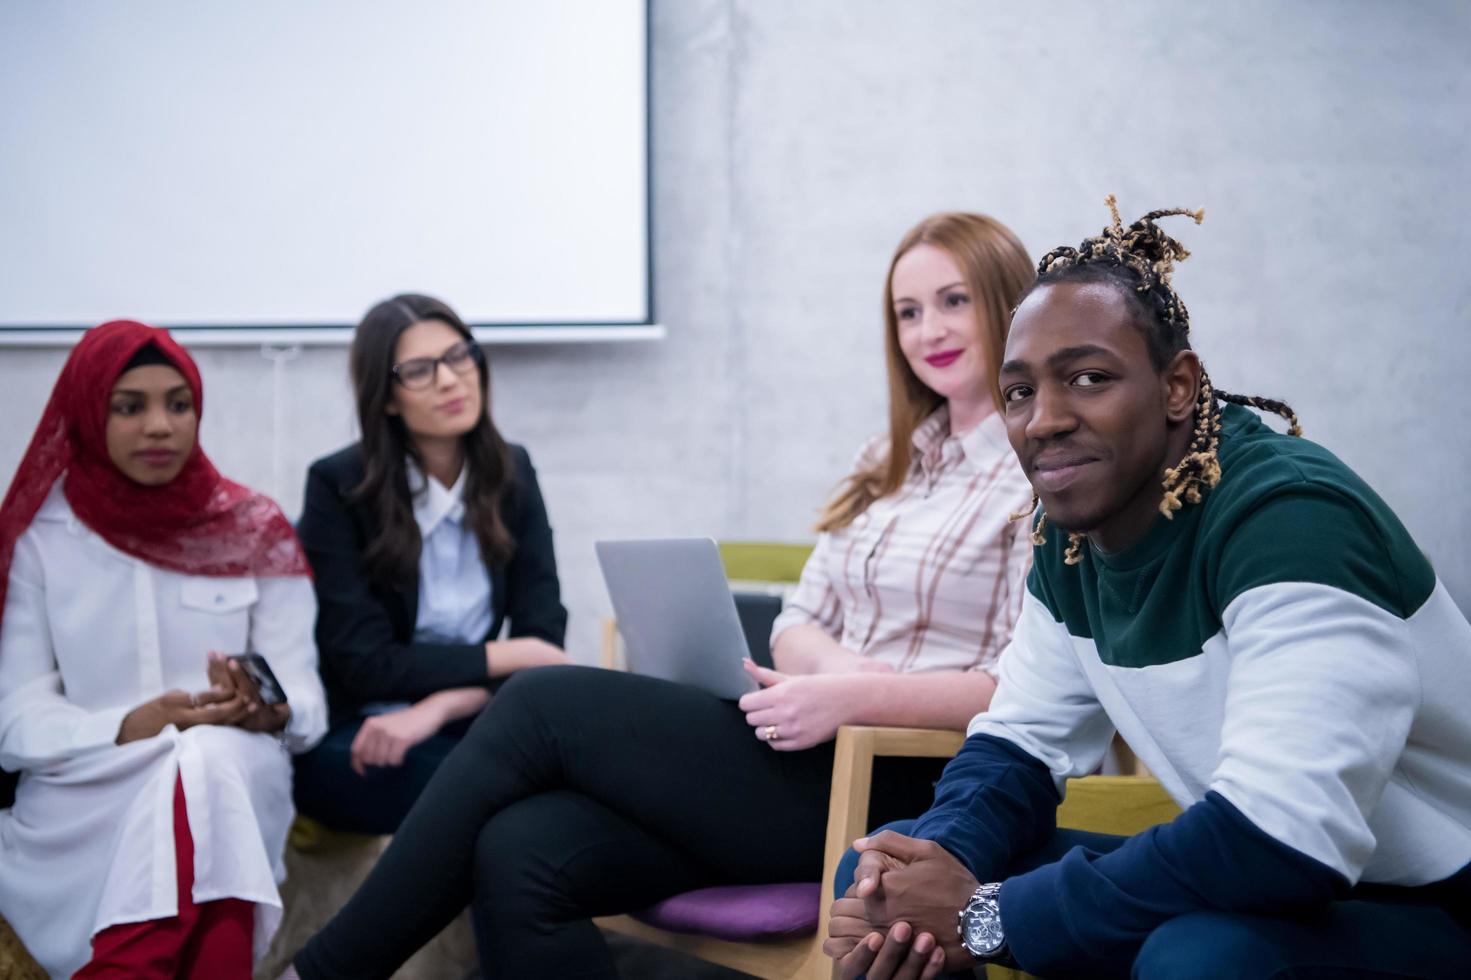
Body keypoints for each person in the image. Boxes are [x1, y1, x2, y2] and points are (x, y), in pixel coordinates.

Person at [286, 212, 1038, 980]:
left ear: (1010, 305)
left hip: (907, 777)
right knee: (519, 850)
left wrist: (859, 700)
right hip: (806, 745)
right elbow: (799, 619)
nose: (926, 330)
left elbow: (1032, 690)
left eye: (952, 301)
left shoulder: (1036, 471)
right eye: (907, 312)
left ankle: (322, 973)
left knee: (538, 705)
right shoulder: (885, 461)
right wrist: (838, 672)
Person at [825, 199, 1471, 980]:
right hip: (1288, 886)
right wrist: (935, 870)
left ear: (1177, 386)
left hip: (1429, 899)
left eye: (1088, 378)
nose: (1044, 421)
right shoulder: (1072, 529)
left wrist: (986, 917)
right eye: (1020, 392)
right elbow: (1017, 743)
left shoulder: (1291, 519)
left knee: (1199, 957)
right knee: (883, 874)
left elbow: (1284, 836)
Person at [0, 320, 328, 979]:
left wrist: (269, 710)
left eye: (178, 404)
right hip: (90, 781)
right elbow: (14, 717)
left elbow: (307, 701)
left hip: (235, 767)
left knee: (203, 759)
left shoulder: (254, 527)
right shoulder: (42, 537)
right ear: (89, 414)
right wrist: (129, 724)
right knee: (193, 772)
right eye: (130, 406)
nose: (160, 426)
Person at [291, 294, 569, 835]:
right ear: (387, 398)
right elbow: (363, 662)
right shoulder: (338, 486)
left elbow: (544, 642)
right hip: (365, 731)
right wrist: (509, 654)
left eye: (460, 356)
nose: (450, 380)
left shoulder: (514, 473)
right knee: (502, 797)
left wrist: (438, 708)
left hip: (472, 720)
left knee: (568, 770)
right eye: (419, 370)